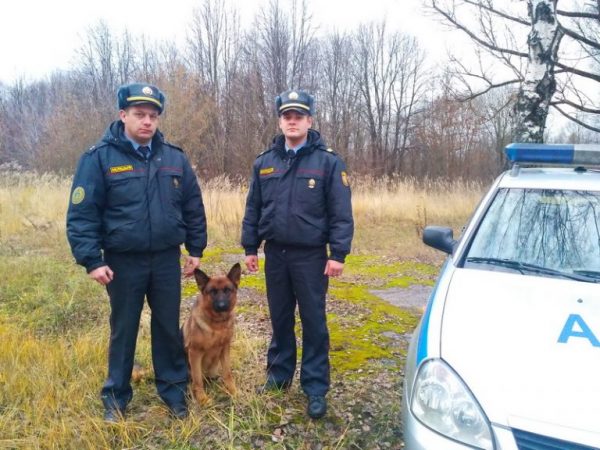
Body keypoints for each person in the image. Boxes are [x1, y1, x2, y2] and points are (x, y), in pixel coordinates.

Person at [66, 83, 207, 422]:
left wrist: (196, 248)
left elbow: (192, 205)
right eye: (139, 115)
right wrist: (92, 260)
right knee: (124, 328)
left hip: (164, 260)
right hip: (122, 262)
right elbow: (82, 214)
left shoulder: (173, 157)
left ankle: (173, 390)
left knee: (167, 327)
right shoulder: (98, 158)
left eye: (153, 116)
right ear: (123, 115)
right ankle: (116, 397)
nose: (147, 122)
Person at [241, 89, 354, 419]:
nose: (292, 121)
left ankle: (315, 387)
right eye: (287, 116)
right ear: (280, 121)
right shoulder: (265, 163)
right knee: (279, 319)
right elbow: (254, 208)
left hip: (311, 257)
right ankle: (278, 378)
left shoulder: (328, 162)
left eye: (299, 116)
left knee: (314, 321)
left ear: (309, 120)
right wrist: (250, 247)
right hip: (276, 254)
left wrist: (339, 254)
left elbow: (341, 212)